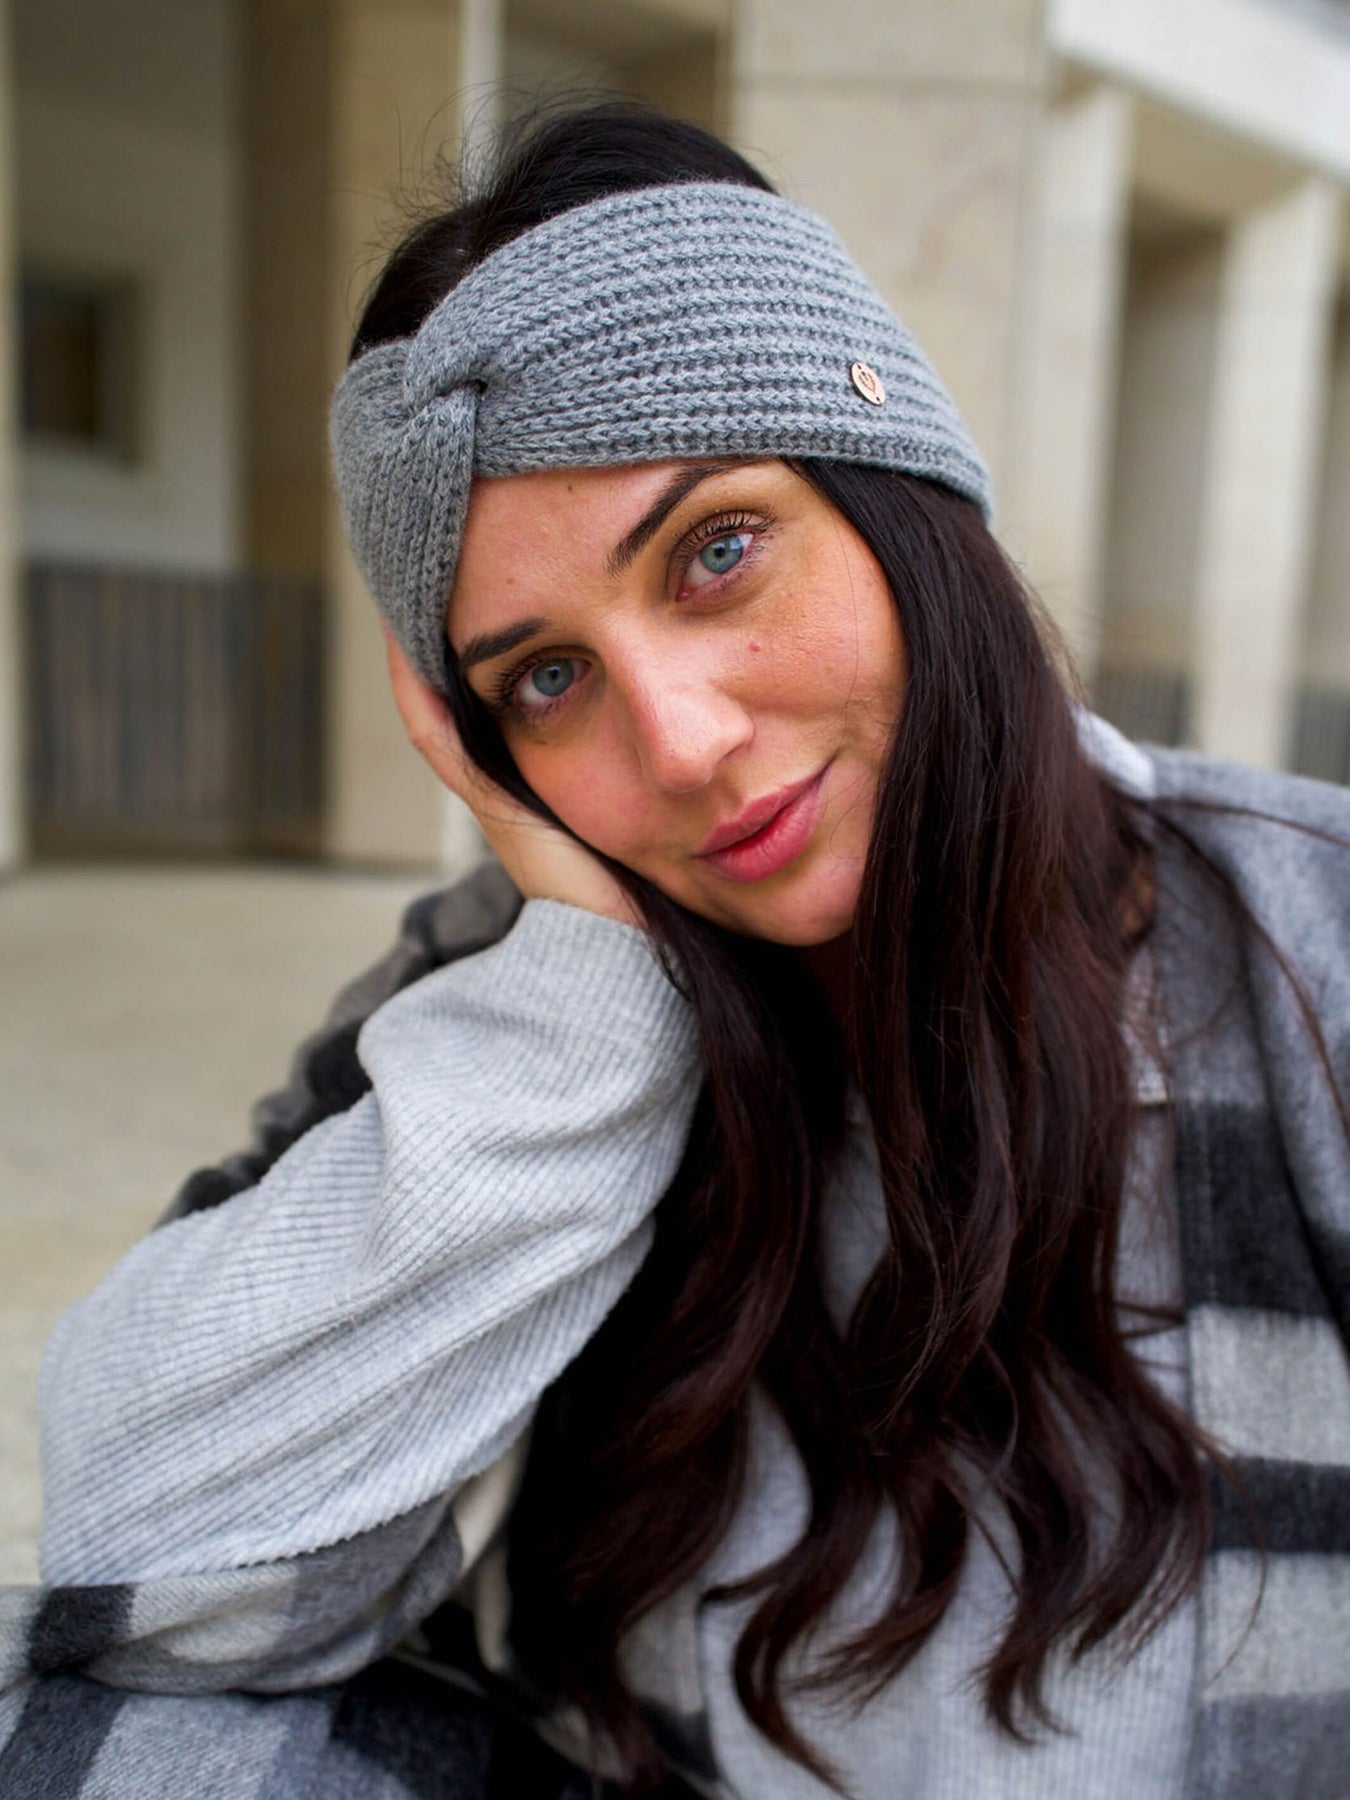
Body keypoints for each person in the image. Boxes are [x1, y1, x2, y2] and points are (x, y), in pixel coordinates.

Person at [2, 102, 1348, 1800]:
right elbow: (140, 1575)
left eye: (716, 552)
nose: (683, 744)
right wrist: (581, 1032)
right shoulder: (522, 977)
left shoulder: (1306, 930)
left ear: (898, 495)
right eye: (543, 680)